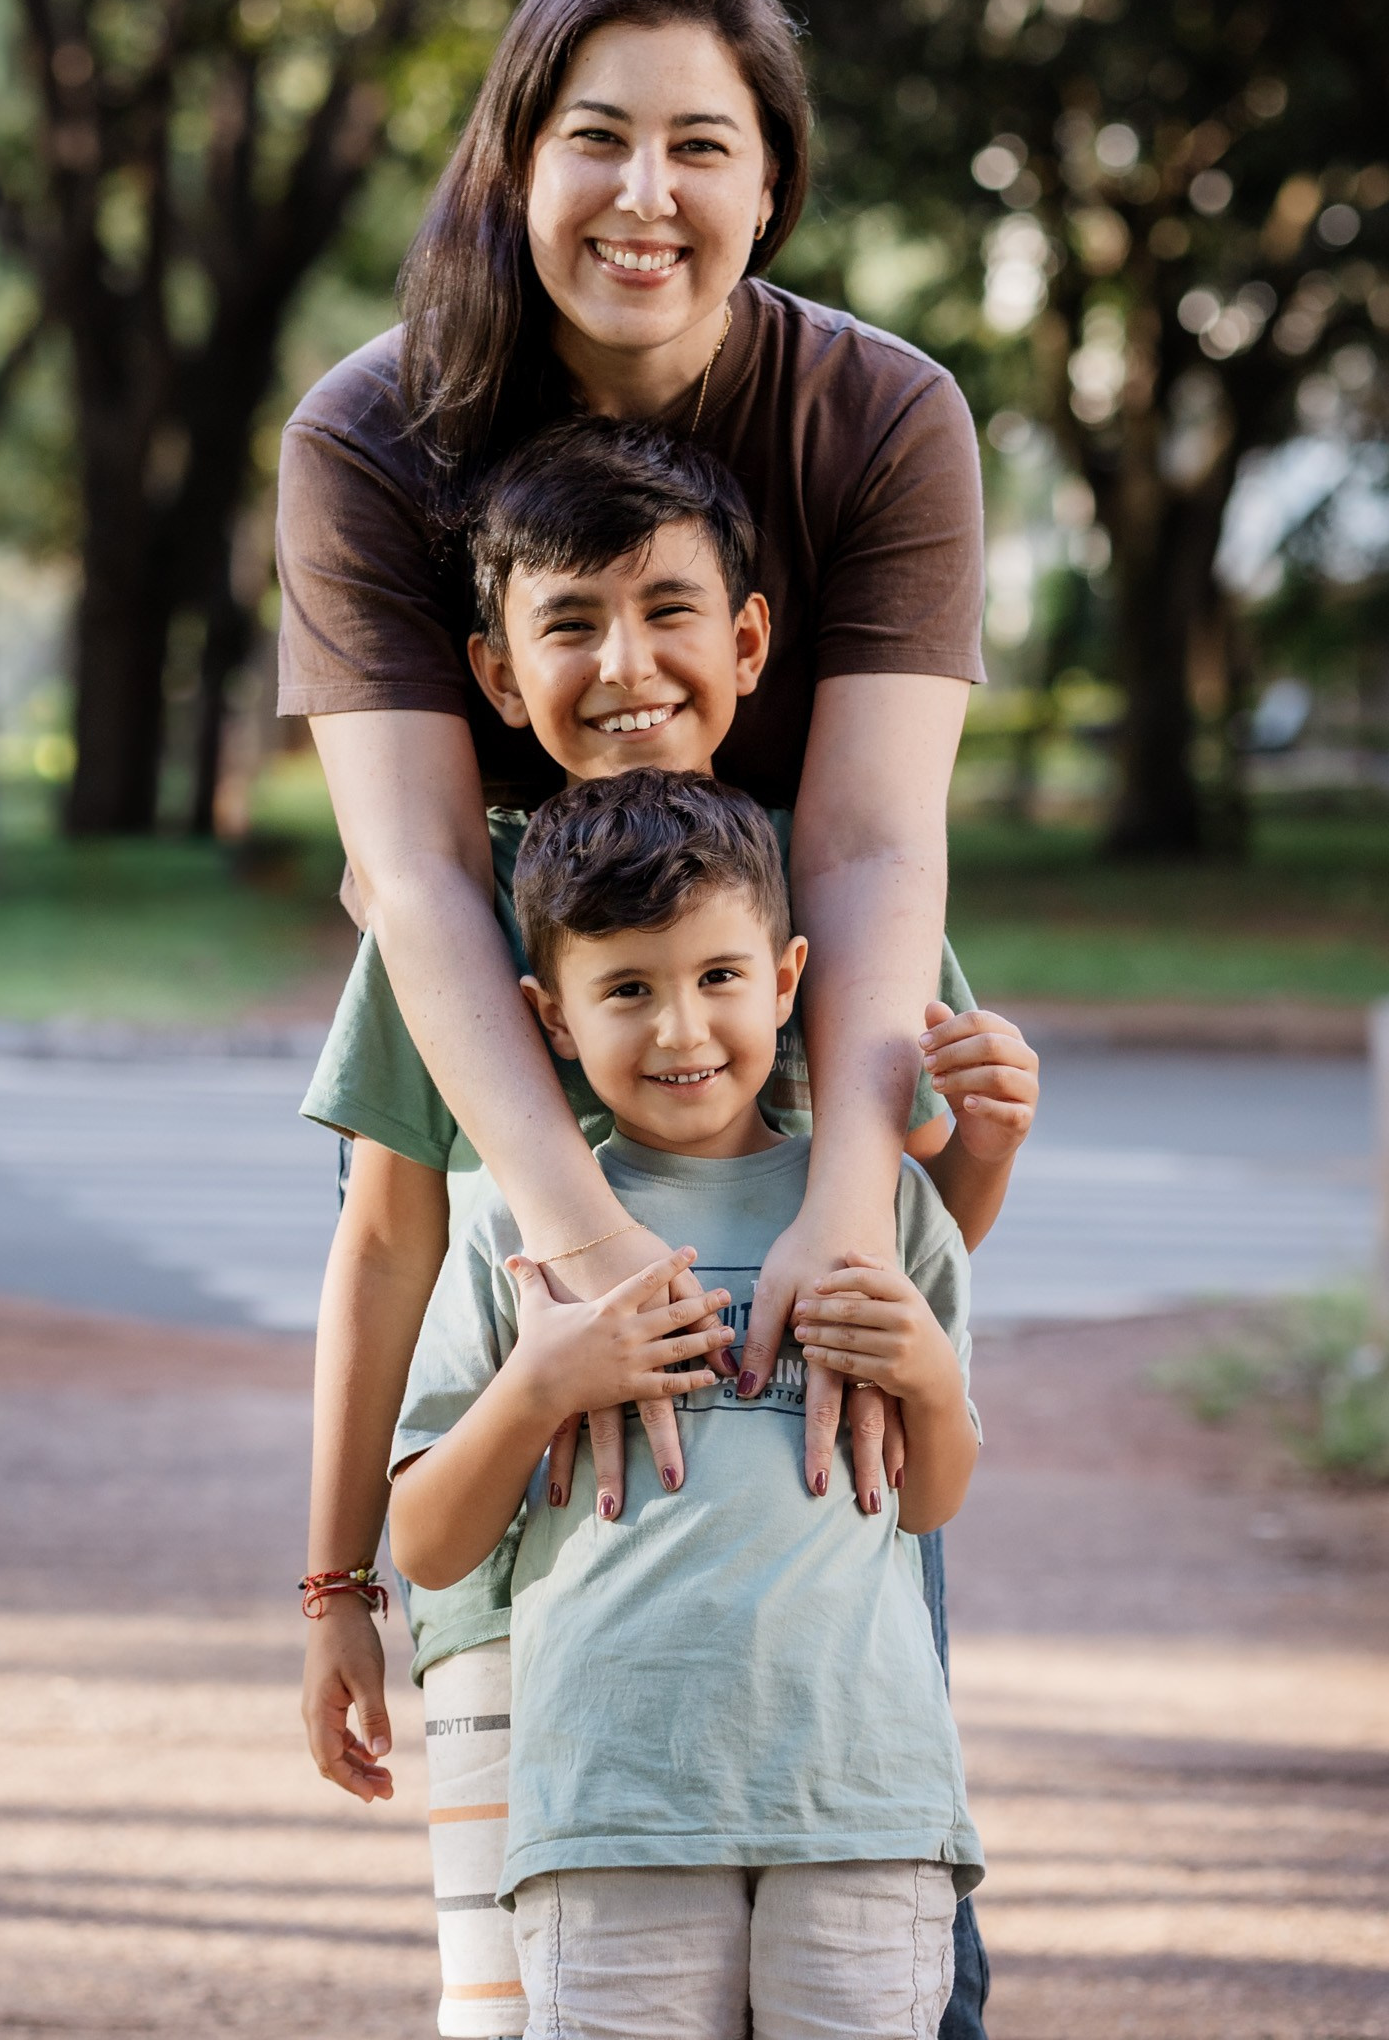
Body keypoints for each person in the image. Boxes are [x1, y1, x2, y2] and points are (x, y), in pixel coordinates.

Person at [278, 0, 994, 2028]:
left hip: (800, 1030)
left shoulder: (876, 413)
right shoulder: (373, 431)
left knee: (837, 1615)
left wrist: (862, 1211)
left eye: (702, 144)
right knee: (535, 1862)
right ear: (516, 160)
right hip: (501, 1037)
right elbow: (407, 871)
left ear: (769, 180)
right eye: (595, 137)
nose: (643, 196)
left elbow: (867, 844)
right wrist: (579, 1243)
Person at [390, 771, 983, 2040]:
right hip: (610, 1812)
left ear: (787, 978)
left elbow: (927, 1498)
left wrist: (928, 1374)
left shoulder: (877, 1211)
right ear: (548, 1016)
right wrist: (541, 1381)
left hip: (862, 1807)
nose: (680, 1029)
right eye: (626, 989)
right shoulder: (516, 1229)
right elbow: (429, 1542)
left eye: (719, 975)